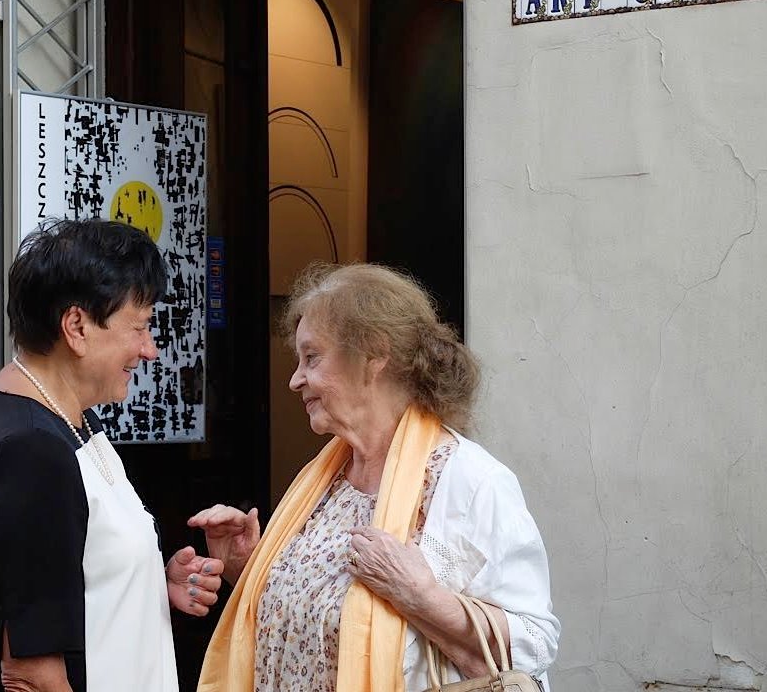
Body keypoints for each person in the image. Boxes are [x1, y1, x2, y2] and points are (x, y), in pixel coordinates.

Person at [190, 263, 560, 692]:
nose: (294, 380)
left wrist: (422, 598)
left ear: (373, 355)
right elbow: (309, 625)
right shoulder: (324, 480)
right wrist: (249, 569)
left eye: (312, 357)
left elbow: (535, 644)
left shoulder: (471, 482)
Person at [0, 218, 224, 692]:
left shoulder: (66, 419)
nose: (150, 350)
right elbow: (32, 674)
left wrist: (149, 583)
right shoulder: (31, 449)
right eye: (140, 327)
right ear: (77, 326)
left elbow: (65, 576)